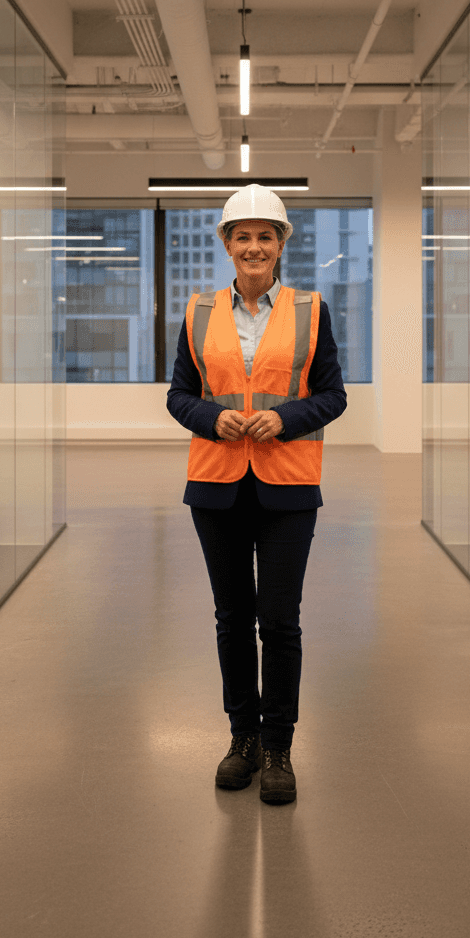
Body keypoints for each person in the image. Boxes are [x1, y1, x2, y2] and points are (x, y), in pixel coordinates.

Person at [166, 184, 347, 804]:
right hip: (215, 486)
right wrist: (211, 418)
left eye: (265, 236)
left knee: (280, 621)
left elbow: (333, 395)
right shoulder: (198, 312)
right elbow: (179, 395)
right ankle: (241, 738)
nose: (253, 247)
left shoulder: (311, 310)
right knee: (233, 620)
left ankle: (278, 747)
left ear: (281, 244)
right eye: (241, 236)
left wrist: (286, 418)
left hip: (288, 485)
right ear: (226, 245)